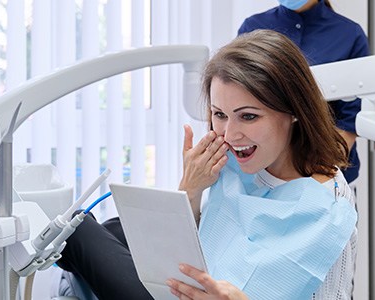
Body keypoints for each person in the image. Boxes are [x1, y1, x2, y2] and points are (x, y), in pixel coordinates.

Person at [57, 30, 357, 300]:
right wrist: (191, 188)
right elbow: (207, 238)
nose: (229, 134)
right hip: (188, 282)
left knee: (75, 229)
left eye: (248, 116)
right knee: (114, 228)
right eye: (219, 114)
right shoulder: (231, 160)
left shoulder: (328, 206)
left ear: (294, 110)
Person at [237, 0, 370, 184]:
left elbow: (351, 121)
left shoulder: (349, 34)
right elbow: (240, 101)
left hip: (325, 173)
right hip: (265, 172)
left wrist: (316, 177)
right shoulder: (253, 28)